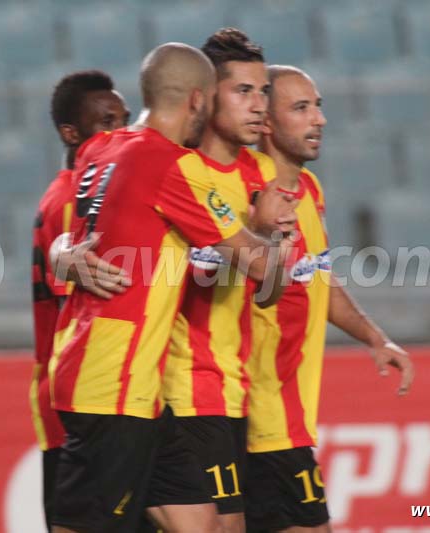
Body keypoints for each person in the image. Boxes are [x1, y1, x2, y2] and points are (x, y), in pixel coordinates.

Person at [47, 42, 294, 533]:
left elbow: (71, 224)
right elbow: (263, 268)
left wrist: (60, 253)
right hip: (111, 383)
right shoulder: (170, 167)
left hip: (123, 380)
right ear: (199, 101)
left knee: (200, 522)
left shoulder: (100, 148)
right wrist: (266, 228)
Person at [245, 65, 416, 533]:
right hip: (257, 413)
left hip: (286, 414)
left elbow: (318, 277)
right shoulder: (246, 193)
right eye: (301, 108)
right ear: (266, 123)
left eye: (318, 106)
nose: (318, 119)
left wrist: (374, 337)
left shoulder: (309, 191)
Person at [151, 28, 280, 533]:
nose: (258, 106)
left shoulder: (259, 172)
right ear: (206, 97)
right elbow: (199, 275)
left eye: (263, 91)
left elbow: (271, 290)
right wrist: (260, 233)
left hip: (236, 388)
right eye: (243, 91)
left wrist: (272, 248)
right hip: (188, 385)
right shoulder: (184, 172)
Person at [30, 70, 130, 531]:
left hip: (98, 395)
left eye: (124, 119)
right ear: (71, 134)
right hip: (79, 401)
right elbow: (89, 308)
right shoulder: (75, 200)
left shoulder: (89, 193)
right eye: (106, 122)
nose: (121, 132)